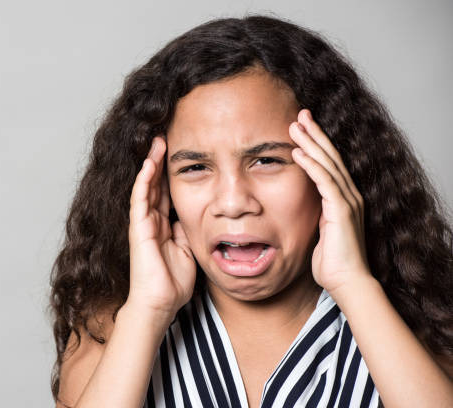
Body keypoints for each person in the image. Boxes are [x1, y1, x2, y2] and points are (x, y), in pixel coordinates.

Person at [49, 14, 453, 407]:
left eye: (267, 161)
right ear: (159, 189)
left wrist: (353, 284)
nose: (233, 202)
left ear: (333, 169)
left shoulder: (422, 320)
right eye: (195, 168)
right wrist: (149, 310)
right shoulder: (112, 330)